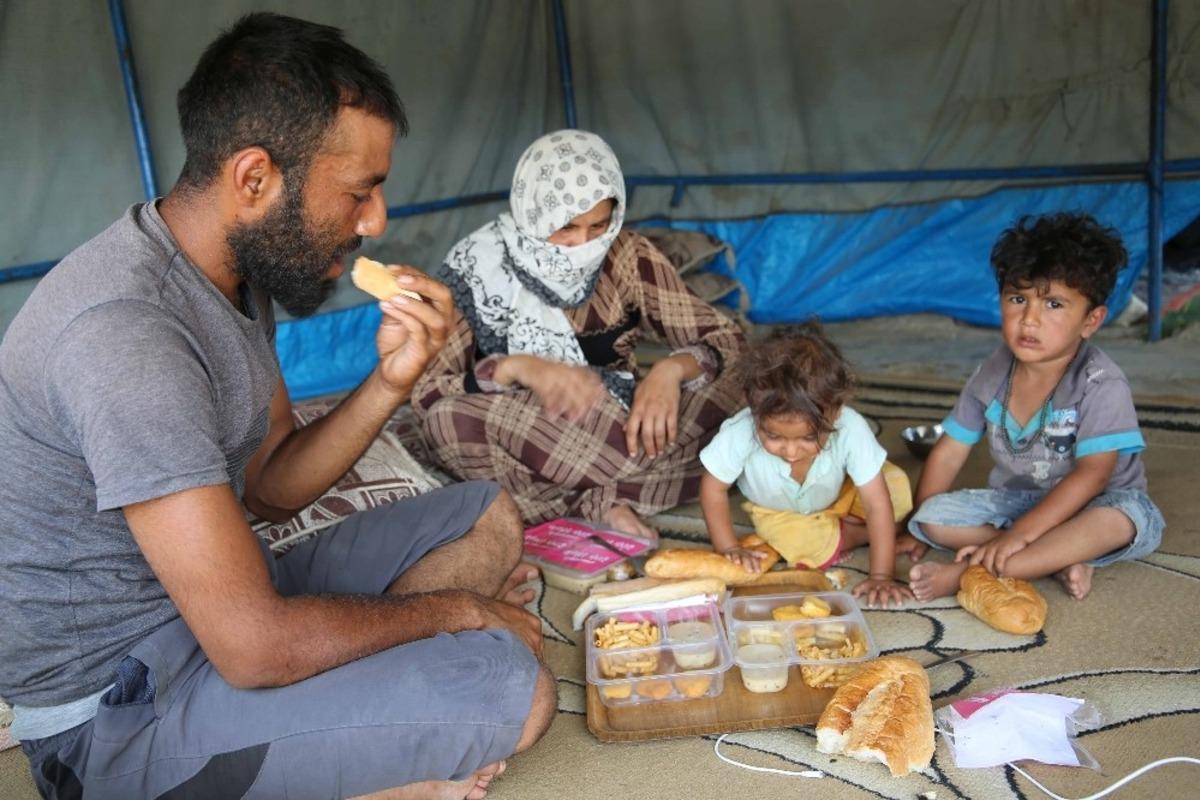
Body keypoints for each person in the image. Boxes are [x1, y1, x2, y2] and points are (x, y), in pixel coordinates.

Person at [0, 14, 555, 800]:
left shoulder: (229, 276)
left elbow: (268, 483)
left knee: (487, 515)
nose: (376, 221)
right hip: (118, 715)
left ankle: (345, 719)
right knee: (515, 688)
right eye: (358, 192)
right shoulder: (127, 341)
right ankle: (353, 740)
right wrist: (455, 611)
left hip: (219, 615)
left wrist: (390, 381)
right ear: (254, 178)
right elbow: (255, 646)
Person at [412, 130, 746, 540]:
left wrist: (669, 372)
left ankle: (565, 503)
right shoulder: (477, 268)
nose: (582, 245)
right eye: (565, 227)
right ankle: (603, 500)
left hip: (622, 426)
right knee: (446, 424)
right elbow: (428, 392)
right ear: (531, 212)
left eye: (598, 226)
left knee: (750, 384)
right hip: (531, 431)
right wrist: (516, 368)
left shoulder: (626, 254)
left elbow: (726, 339)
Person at [904, 212, 1164, 602]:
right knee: (933, 517)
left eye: (1054, 304)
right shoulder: (991, 373)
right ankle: (1054, 557)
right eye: (1017, 298)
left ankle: (971, 571)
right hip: (1023, 502)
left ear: (1090, 320)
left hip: (1101, 502)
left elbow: (1093, 476)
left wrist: (1017, 536)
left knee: (1122, 521)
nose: (1029, 319)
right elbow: (948, 452)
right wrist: (912, 528)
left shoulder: (1100, 384)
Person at [698, 324, 914, 608]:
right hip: (780, 514)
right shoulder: (739, 431)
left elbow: (875, 502)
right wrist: (728, 548)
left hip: (841, 497)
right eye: (773, 436)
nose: (790, 451)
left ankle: (858, 534)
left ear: (835, 412)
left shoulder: (850, 426)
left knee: (893, 484)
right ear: (754, 411)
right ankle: (867, 534)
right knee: (801, 543)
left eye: (808, 438)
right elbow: (712, 489)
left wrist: (882, 574)